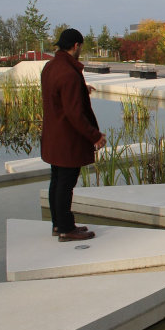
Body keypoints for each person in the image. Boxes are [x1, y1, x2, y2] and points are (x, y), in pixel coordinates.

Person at [41, 28, 106, 242]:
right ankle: (67, 229)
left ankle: (58, 224)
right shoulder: (69, 73)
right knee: (66, 184)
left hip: (53, 137)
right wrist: (95, 136)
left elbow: (59, 96)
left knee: (57, 181)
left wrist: (81, 89)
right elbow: (74, 114)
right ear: (76, 45)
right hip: (67, 140)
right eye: (82, 47)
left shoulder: (51, 67)